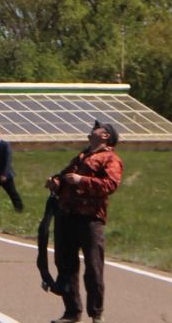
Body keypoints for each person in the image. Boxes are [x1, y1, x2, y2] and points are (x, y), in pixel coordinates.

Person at [46, 121, 122, 323]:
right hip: (67, 216)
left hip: (90, 219)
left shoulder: (110, 158)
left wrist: (81, 181)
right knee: (66, 265)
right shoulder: (81, 156)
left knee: (93, 267)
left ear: (106, 135)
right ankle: (72, 312)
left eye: (97, 127)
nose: (92, 129)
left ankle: (96, 314)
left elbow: (110, 185)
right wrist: (56, 183)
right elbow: (64, 177)